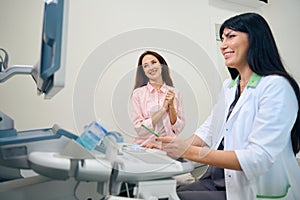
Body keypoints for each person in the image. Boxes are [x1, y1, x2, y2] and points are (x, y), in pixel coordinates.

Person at [155, 13, 300, 200]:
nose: (223, 45)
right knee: (166, 193)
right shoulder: (230, 86)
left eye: (231, 36)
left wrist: (187, 151)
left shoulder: (276, 86)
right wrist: (169, 147)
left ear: (255, 39)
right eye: (222, 38)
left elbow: (258, 158)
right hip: (217, 178)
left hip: (252, 188)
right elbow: (209, 129)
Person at [131, 50, 185, 146]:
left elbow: (178, 128)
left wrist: (171, 106)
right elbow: (139, 129)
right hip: (145, 148)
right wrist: (163, 110)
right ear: (143, 71)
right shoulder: (138, 94)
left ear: (161, 65)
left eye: (153, 62)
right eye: (146, 66)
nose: (151, 67)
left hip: (169, 149)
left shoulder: (175, 93)